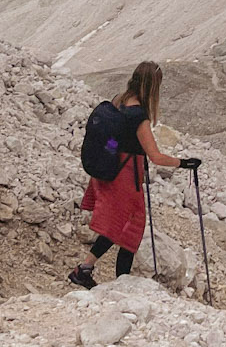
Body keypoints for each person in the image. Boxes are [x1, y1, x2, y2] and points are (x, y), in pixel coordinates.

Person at [72, 60, 198, 288]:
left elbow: (114, 139)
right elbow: (156, 156)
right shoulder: (138, 114)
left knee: (123, 225)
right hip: (125, 177)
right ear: (152, 86)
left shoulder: (119, 100)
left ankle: (93, 270)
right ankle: (114, 279)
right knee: (129, 227)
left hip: (111, 169)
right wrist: (184, 163)